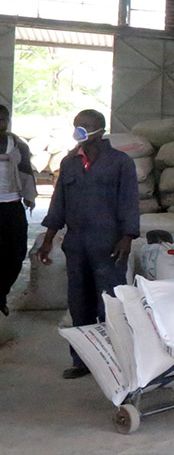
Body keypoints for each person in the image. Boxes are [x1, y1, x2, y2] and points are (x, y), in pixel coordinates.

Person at [37, 109, 139, 379]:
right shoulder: (70, 163)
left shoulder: (120, 163)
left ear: (101, 130)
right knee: (79, 303)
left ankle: (116, 360)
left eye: (85, 126)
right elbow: (58, 203)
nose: (79, 131)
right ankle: (82, 360)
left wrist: (127, 236)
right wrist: (48, 240)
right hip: (77, 243)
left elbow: (129, 201)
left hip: (108, 243)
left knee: (109, 304)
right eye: (76, 126)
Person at [0, 105, 37, 316]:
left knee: (15, 253)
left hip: (12, 204)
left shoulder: (17, 145)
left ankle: (2, 292)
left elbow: (26, 173)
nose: (0, 124)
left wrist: (30, 197)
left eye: (3, 119)